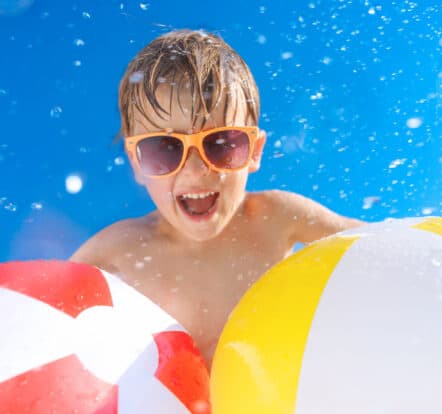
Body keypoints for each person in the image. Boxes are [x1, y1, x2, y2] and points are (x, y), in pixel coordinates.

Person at [70, 29, 363, 369]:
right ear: (137, 163)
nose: (196, 172)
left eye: (222, 143)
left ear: (254, 152)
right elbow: (38, 306)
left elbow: (374, 244)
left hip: (272, 408)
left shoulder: (276, 217)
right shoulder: (121, 248)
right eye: (164, 149)